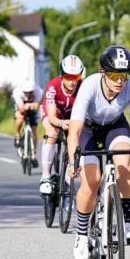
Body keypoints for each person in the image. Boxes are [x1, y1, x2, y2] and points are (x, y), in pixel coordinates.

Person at [66, 45, 130, 259]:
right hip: (88, 129)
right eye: (114, 75)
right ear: (103, 72)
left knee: (124, 162)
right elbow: (74, 130)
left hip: (115, 127)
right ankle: (81, 234)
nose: (120, 81)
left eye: (124, 76)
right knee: (92, 179)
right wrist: (72, 160)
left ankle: (126, 221)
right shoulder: (88, 86)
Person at [38, 55, 85, 196]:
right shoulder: (53, 86)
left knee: (75, 139)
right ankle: (45, 176)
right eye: (68, 77)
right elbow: (52, 117)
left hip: (72, 116)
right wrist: (60, 123)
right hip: (54, 113)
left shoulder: (83, 87)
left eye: (75, 77)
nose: (71, 81)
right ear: (62, 75)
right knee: (52, 132)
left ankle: (67, 182)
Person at [12, 79, 44, 167]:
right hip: (20, 104)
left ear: (34, 90)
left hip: (32, 106)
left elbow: (36, 107)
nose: (28, 94)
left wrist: (32, 106)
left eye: (30, 92)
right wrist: (27, 106)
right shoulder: (17, 92)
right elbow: (21, 108)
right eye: (26, 92)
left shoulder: (39, 92)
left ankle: (34, 155)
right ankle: (18, 134)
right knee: (20, 118)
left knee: (34, 130)